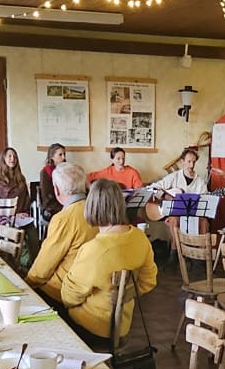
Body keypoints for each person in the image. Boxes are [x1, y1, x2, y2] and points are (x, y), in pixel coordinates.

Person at [57, 179, 159, 341]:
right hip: (123, 326)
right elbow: (149, 282)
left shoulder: (94, 249)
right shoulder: (140, 238)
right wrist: (123, 295)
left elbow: (69, 297)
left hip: (91, 327)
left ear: (93, 207)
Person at [27, 162, 96, 301]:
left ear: (57, 190)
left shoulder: (63, 218)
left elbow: (43, 270)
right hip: (93, 285)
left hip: (64, 291)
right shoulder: (97, 210)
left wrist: (25, 283)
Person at [36, 142, 68, 228]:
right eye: (60, 155)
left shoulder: (66, 170)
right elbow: (47, 196)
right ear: (52, 157)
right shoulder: (45, 172)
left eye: (64, 154)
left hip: (64, 202)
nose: (63, 157)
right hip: (51, 206)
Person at [0, 147, 28, 211]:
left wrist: (25, 213)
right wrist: (12, 214)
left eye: (15, 157)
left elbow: (26, 200)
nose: (13, 159)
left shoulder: (21, 178)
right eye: (10, 156)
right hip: (1, 215)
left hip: (21, 215)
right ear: (4, 159)